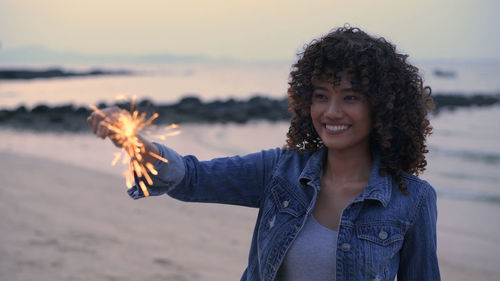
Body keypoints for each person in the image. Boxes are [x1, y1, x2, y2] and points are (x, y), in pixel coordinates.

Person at [87, 26, 440, 281]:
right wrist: (133, 142)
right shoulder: (279, 171)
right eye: (320, 95)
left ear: (381, 107)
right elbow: (188, 177)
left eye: (350, 97)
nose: (331, 111)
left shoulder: (413, 200)